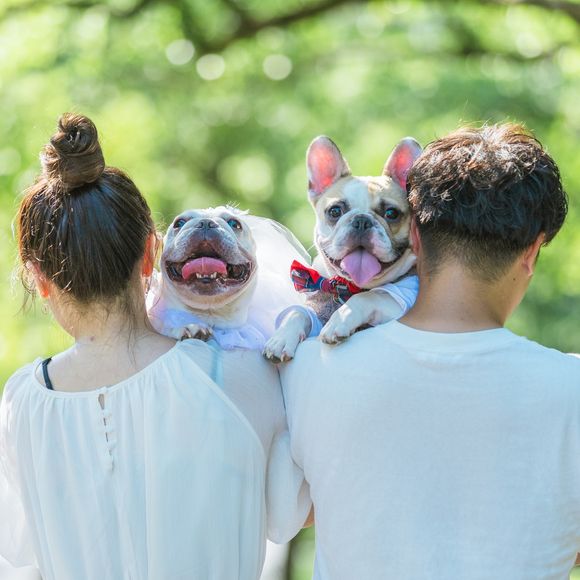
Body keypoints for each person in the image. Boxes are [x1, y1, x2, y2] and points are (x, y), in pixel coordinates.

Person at [0, 114, 310, 580]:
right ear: (151, 254)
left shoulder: (22, 401)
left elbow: (19, 555)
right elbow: (287, 518)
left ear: (40, 281)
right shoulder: (245, 376)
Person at [282, 123, 580, 580]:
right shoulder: (571, 389)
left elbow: (287, 515)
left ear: (416, 236)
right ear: (532, 251)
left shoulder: (306, 367)